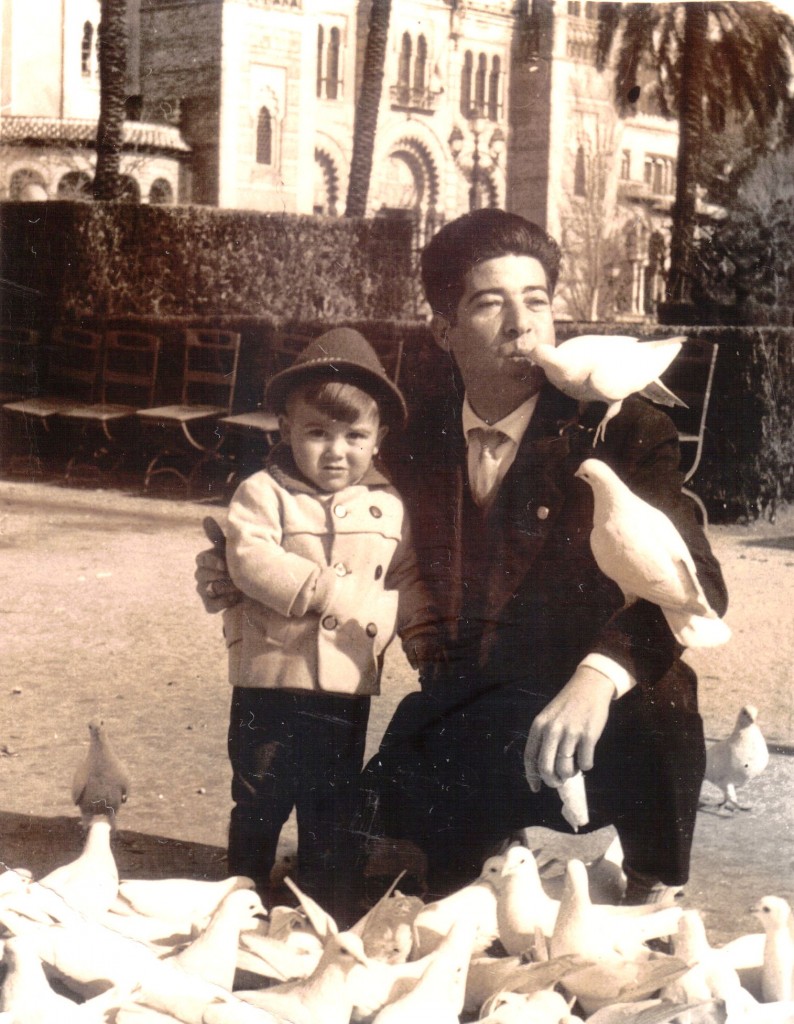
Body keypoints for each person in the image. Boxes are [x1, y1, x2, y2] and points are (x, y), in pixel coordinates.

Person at [197, 209, 728, 907]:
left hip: (596, 715)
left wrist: (598, 678)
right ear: (443, 329)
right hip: (476, 702)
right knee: (386, 871)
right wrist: (233, 565)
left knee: (662, 695)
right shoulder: (412, 434)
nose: (522, 326)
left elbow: (702, 587)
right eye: (490, 303)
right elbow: (313, 500)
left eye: (537, 300)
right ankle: (487, 833)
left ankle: (654, 873)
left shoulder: (622, 426)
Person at [205, 327, 439, 917]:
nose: (337, 451)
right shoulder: (263, 493)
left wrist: (420, 632)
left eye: (355, 436)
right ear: (286, 430)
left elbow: (404, 575)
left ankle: (325, 901)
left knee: (331, 796)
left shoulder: (389, 507)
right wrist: (324, 587)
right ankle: (242, 894)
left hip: (343, 681)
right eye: (317, 433)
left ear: (379, 439)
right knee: (259, 789)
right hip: (269, 673)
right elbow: (249, 558)